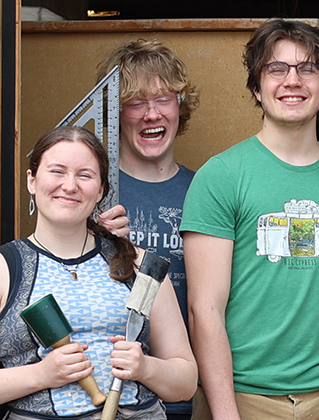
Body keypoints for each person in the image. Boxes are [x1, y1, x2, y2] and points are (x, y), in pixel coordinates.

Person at [182, 19, 319, 420]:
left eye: (307, 68)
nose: (293, 80)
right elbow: (204, 308)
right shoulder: (221, 176)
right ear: (257, 87)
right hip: (243, 397)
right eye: (276, 69)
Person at [0, 126, 198, 419]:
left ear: (101, 191)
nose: (70, 185)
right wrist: (41, 374)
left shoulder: (139, 266)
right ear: (32, 181)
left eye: (85, 175)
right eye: (57, 171)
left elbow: (184, 383)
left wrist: (147, 367)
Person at [99, 39, 202, 419]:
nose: (151, 114)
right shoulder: (92, 195)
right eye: (136, 102)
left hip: (190, 387)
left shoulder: (205, 190)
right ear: (115, 112)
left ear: (180, 106)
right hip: (115, 394)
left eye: (163, 99)